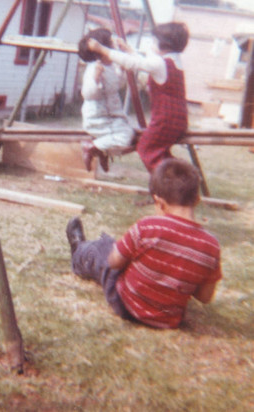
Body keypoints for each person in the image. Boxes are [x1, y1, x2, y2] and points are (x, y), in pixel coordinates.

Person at [66, 158, 221, 329]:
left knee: (104, 249)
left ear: (159, 201)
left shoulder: (149, 226)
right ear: (197, 200)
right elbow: (205, 297)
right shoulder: (211, 246)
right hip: (168, 320)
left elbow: (114, 262)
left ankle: (78, 252)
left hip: (126, 305)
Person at [87, 22, 189, 173]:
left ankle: (168, 184)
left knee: (145, 149)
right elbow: (143, 62)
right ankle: (180, 175)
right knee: (160, 152)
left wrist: (103, 50)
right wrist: (128, 50)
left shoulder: (160, 63)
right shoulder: (174, 61)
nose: (152, 45)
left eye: (154, 42)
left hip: (165, 120)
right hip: (178, 119)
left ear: (163, 44)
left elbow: (134, 63)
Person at [77, 28, 136, 172]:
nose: (115, 47)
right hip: (98, 118)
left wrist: (122, 71)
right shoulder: (95, 68)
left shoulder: (111, 66)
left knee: (131, 134)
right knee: (125, 137)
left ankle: (100, 150)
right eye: (111, 44)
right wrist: (96, 79)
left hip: (111, 117)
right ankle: (91, 147)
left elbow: (117, 85)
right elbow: (87, 94)